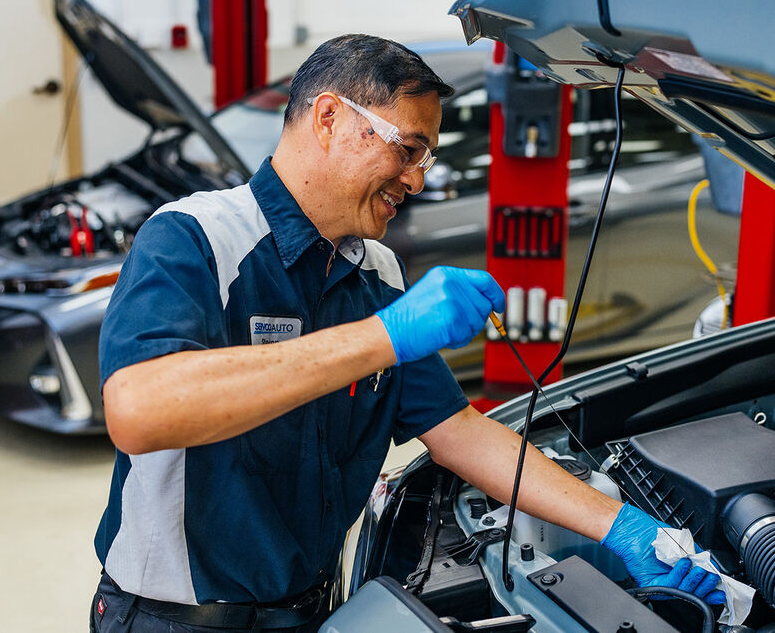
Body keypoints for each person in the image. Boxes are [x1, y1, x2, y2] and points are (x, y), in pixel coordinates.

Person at [89, 34, 725, 632]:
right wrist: (383, 336)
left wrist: (620, 526)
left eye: (427, 158)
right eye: (407, 149)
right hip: (172, 620)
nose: (417, 179)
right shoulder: (196, 239)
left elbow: (459, 432)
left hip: (314, 610)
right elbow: (139, 410)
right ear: (330, 119)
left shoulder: (378, 272)